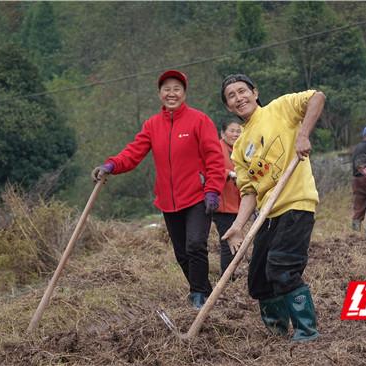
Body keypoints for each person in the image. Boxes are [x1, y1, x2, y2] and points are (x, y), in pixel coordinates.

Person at [91, 70, 225, 310]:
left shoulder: (199, 120)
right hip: (168, 201)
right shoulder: (152, 125)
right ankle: (204, 291)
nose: (171, 93)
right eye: (166, 89)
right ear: (159, 93)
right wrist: (111, 165)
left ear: (184, 93)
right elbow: (133, 153)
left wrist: (213, 189)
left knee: (195, 244)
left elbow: (215, 158)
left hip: (197, 196)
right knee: (182, 254)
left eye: (176, 89)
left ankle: (198, 294)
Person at [220, 74, 325, 342]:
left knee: (282, 268)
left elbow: (317, 97)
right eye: (231, 96)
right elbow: (249, 191)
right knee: (258, 280)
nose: (238, 97)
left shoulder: (280, 108)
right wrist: (237, 226)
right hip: (267, 214)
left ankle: (307, 332)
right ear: (228, 106)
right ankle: (278, 334)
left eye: (242, 91)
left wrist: (303, 135)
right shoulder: (240, 147)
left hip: (295, 203)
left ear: (255, 92)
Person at [212, 121, 242, 277]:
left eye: (239, 131)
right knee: (228, 241)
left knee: (235, 240)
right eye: (232, 131)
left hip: (237, 202)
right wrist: (228, 174)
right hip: (221, 202)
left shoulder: (241, 149)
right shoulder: (216, 148)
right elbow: (210, 167)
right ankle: (228, 278)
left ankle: (231, 275)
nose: (236, 134)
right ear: (223, 133)